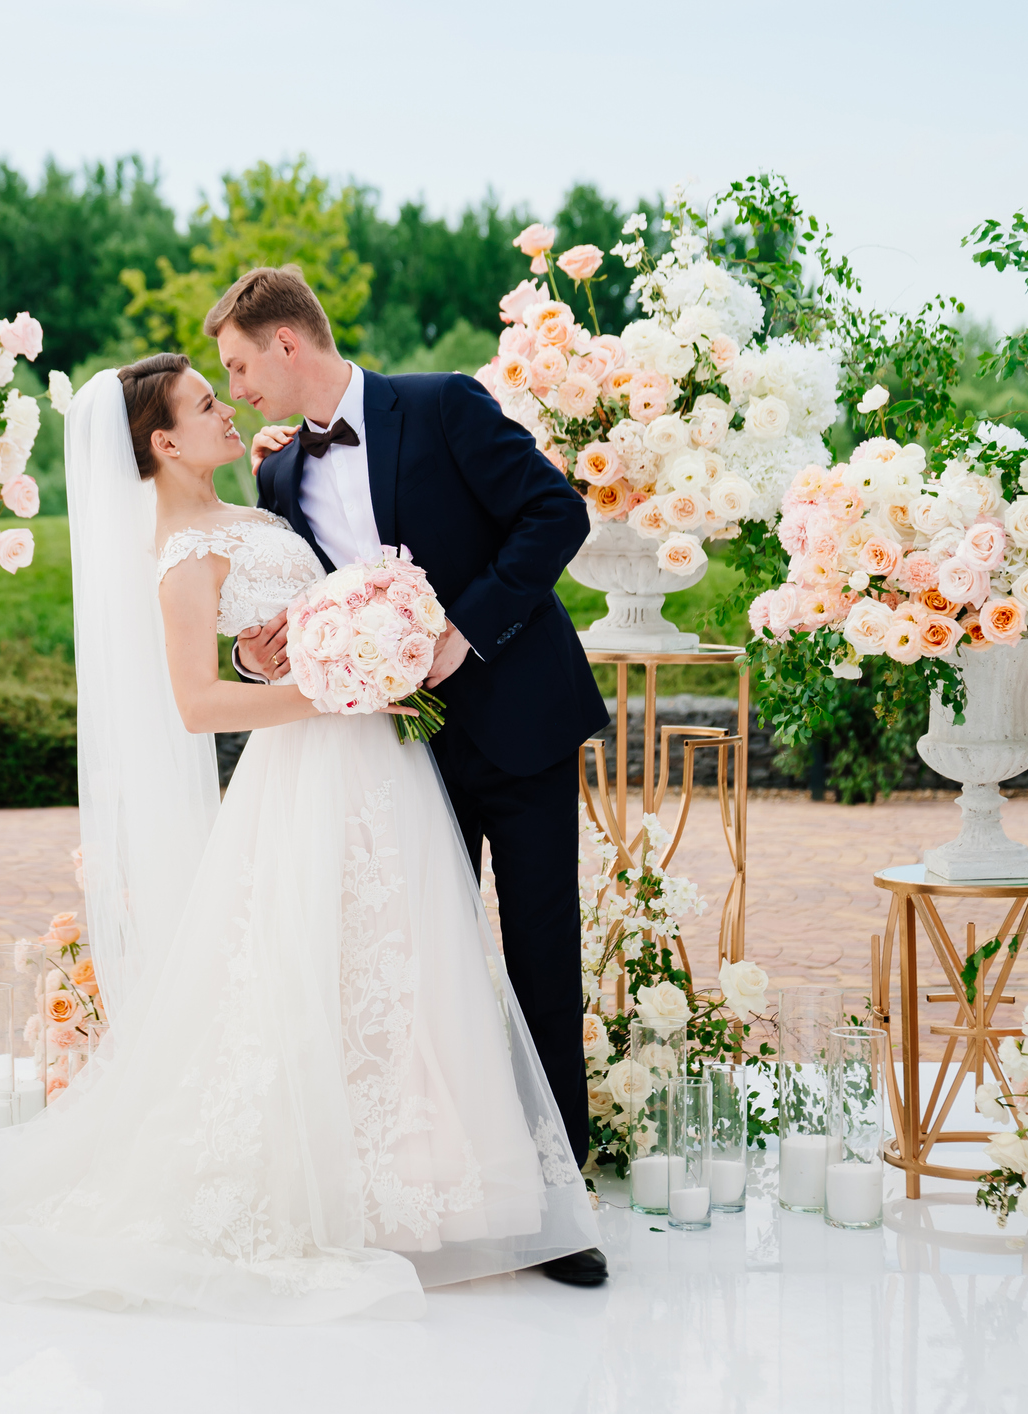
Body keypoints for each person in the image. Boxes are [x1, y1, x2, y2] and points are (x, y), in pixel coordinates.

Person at [0, 351, 602, 1323]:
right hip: (313, 763)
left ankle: (446, 1180)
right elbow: (200, 704)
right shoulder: (178, 550)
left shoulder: (263, 489)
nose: (230, 408)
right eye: (208, 402)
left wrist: (311, 646)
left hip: (384, 761)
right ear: (162, 441)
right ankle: (341, 1183)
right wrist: (331, 685)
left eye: (230, 382)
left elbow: (302, 606)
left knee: (408, 966)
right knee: (311, 972)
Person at [219, 266, 610, 1288]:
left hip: (519, 723)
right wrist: (263, 657)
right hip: (397, 757)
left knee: (540, 957)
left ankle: (562, 1214)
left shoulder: (439, 405)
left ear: (287, 343)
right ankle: (451, 1185)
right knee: (427, 972)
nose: (238, 385)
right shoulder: (274, 479)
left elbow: (554, 516)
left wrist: (464, 630)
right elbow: (301, 611)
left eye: (239, 363)